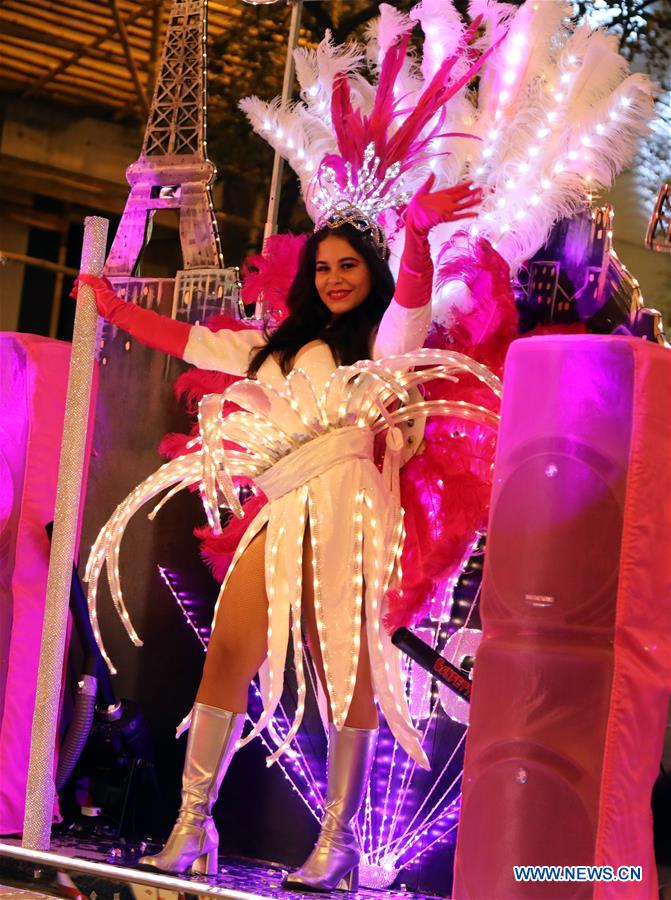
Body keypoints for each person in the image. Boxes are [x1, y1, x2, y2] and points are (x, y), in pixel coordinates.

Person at [75, 177, 481, 891]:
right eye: (322, 267)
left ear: (371, 271)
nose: (332, 279)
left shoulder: (383, 346)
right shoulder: (273, 350)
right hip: (283, 505)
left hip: (349, 505)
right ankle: (191, 825)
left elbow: (413, 300)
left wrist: (416, 235)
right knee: (227, 654)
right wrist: (110, 306)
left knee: (340, 672)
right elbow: (191, 341)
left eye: (348, 265)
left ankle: (338, 842)